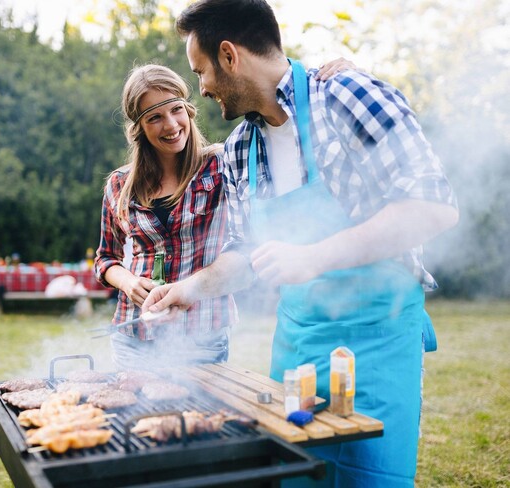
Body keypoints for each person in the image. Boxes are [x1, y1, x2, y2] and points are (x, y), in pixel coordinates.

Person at [142, 1, 459, 487]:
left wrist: (314, 256)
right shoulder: (238, 149)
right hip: (297, 348)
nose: (200, 89)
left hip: (376, 344)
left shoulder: (347, 96)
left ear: (230, 56)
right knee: (294, 479)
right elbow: (247, 254)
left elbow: (433, 206)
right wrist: (191, 288)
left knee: (369, 479)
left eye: (201, 72)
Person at [95, 60, 354, 370]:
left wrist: (334, 75)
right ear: (139, 128)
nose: (170, 124)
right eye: (154, 117)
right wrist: (129, 283)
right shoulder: (120, 185)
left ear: (189, 110)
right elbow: (105, 258)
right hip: (134, 333)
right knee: (132, 414)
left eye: (176, 109)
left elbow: (277, 112)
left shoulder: (222, 163)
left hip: (202, 333)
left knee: (197, 418)